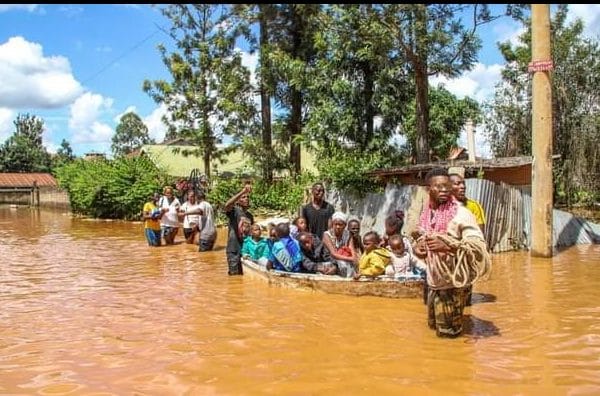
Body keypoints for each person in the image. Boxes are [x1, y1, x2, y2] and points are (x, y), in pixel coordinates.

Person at [413, 168, 491, 338]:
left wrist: (448, 246)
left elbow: (479, 246)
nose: (444, 190)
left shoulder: (461, 214)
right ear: (428, 189)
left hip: (451, 285)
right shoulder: (427, 213)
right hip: (433, 282)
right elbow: (420, 236)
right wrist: (417, 248)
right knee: (434, 330)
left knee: (449, 337)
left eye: (447, 186)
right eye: (438, 187)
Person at [449, 172, 487, 306]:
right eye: (457, 183)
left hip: (465, 255)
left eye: (463, 183)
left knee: (465, 295)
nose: (462, 186)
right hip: (448, 256)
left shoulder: (473, 206)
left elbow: (479, 232)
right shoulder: (441, 208)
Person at [223, 183, 254, 275]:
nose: (246, 199)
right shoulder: (234, 211)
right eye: (243, 197)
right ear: (238, 201)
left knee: (243, 275)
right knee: (234, 276)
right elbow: (227, 205)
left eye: (247, 197)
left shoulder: (249, 216)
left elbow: (250, 233)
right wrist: (243, 191)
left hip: (245, 249)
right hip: (234, 249)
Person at [322, 211, 358, 278]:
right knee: (342, 265)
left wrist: (354, 258)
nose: (338, 227)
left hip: (345, 258)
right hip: (330, 260)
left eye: (340, 225)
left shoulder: (348, 234)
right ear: (333, 224)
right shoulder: (326, 235)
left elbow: (352, 250)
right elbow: (333, 254)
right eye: (336, 224)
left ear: (345, 225)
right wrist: (351, 259)